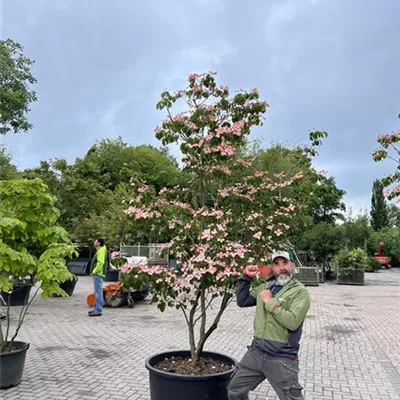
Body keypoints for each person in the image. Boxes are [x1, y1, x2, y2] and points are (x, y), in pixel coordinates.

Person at [227, 250, 310, 400]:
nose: (282, 267)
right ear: (273, 267)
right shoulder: (266, 287)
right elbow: (243, 300)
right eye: (277, 264)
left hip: (281, 358)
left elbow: (292, 322)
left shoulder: (300, 292)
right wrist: (246, 277)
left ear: (292, 265)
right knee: (235, 389)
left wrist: (269, 301)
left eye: (285, 263)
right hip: (256, 352)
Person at [88, 238, 107, 317]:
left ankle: (98, 310)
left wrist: (94, 271)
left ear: (99, 243)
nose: (94, 242)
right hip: (98, 274)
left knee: (98, 292)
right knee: (97, 292)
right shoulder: (100, 250)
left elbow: (100, 263)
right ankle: (96, 308)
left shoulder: (101, 251)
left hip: (98, 274)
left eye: (95, 241)